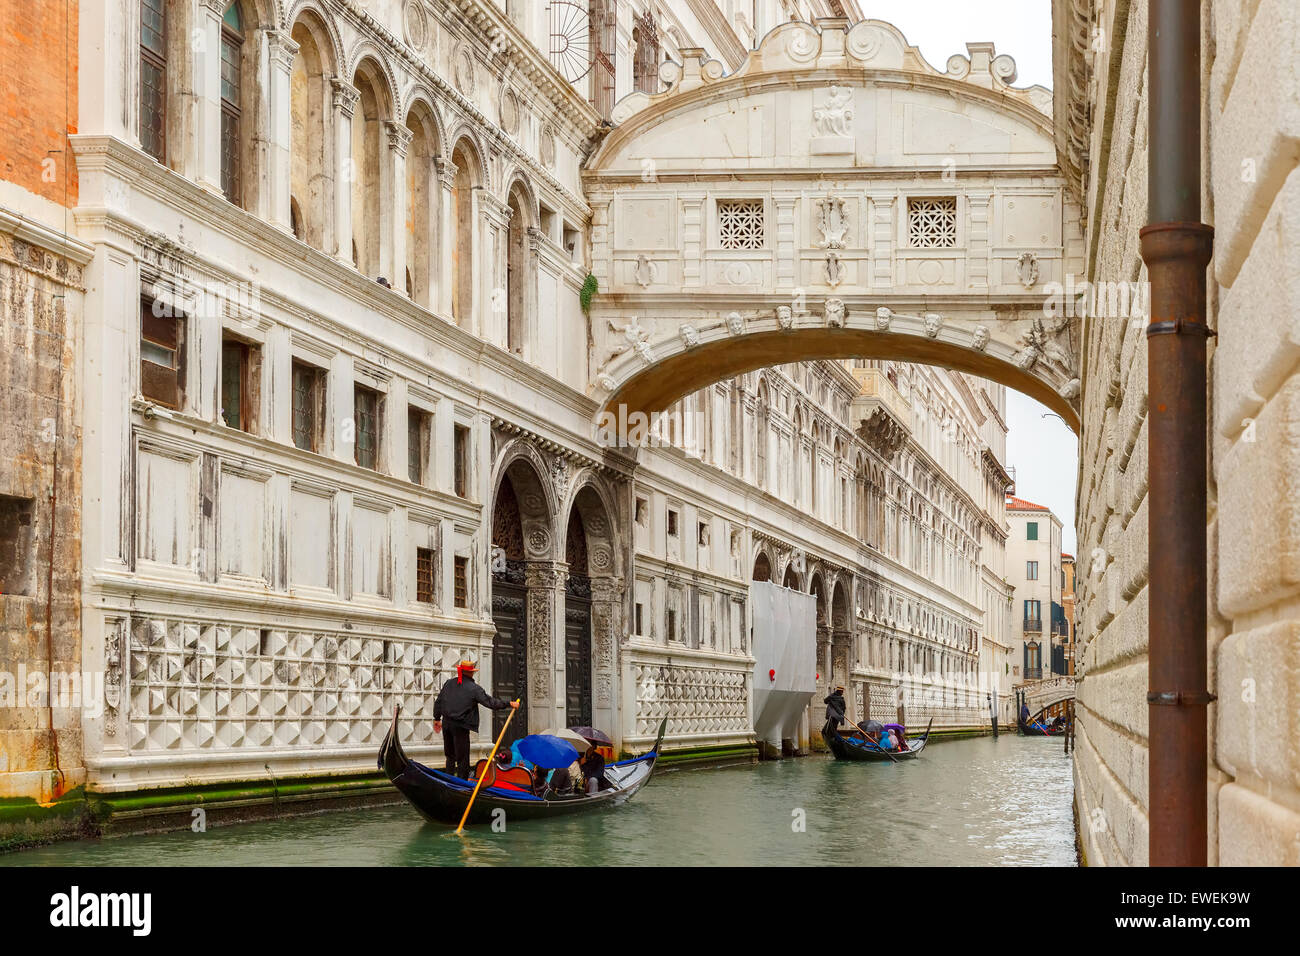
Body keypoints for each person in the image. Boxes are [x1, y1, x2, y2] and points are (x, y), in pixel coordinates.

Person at [433, 660, 517, 779]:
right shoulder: (474, 689)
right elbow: (491, 703)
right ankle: (462, 784)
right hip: (460, 727)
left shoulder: (449, 683)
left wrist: (437, 719)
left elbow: (439, 702)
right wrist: (509, 703)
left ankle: (448, 779)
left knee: (450, 756)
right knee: (463, 759)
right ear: (471, 673)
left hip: (446, 724)